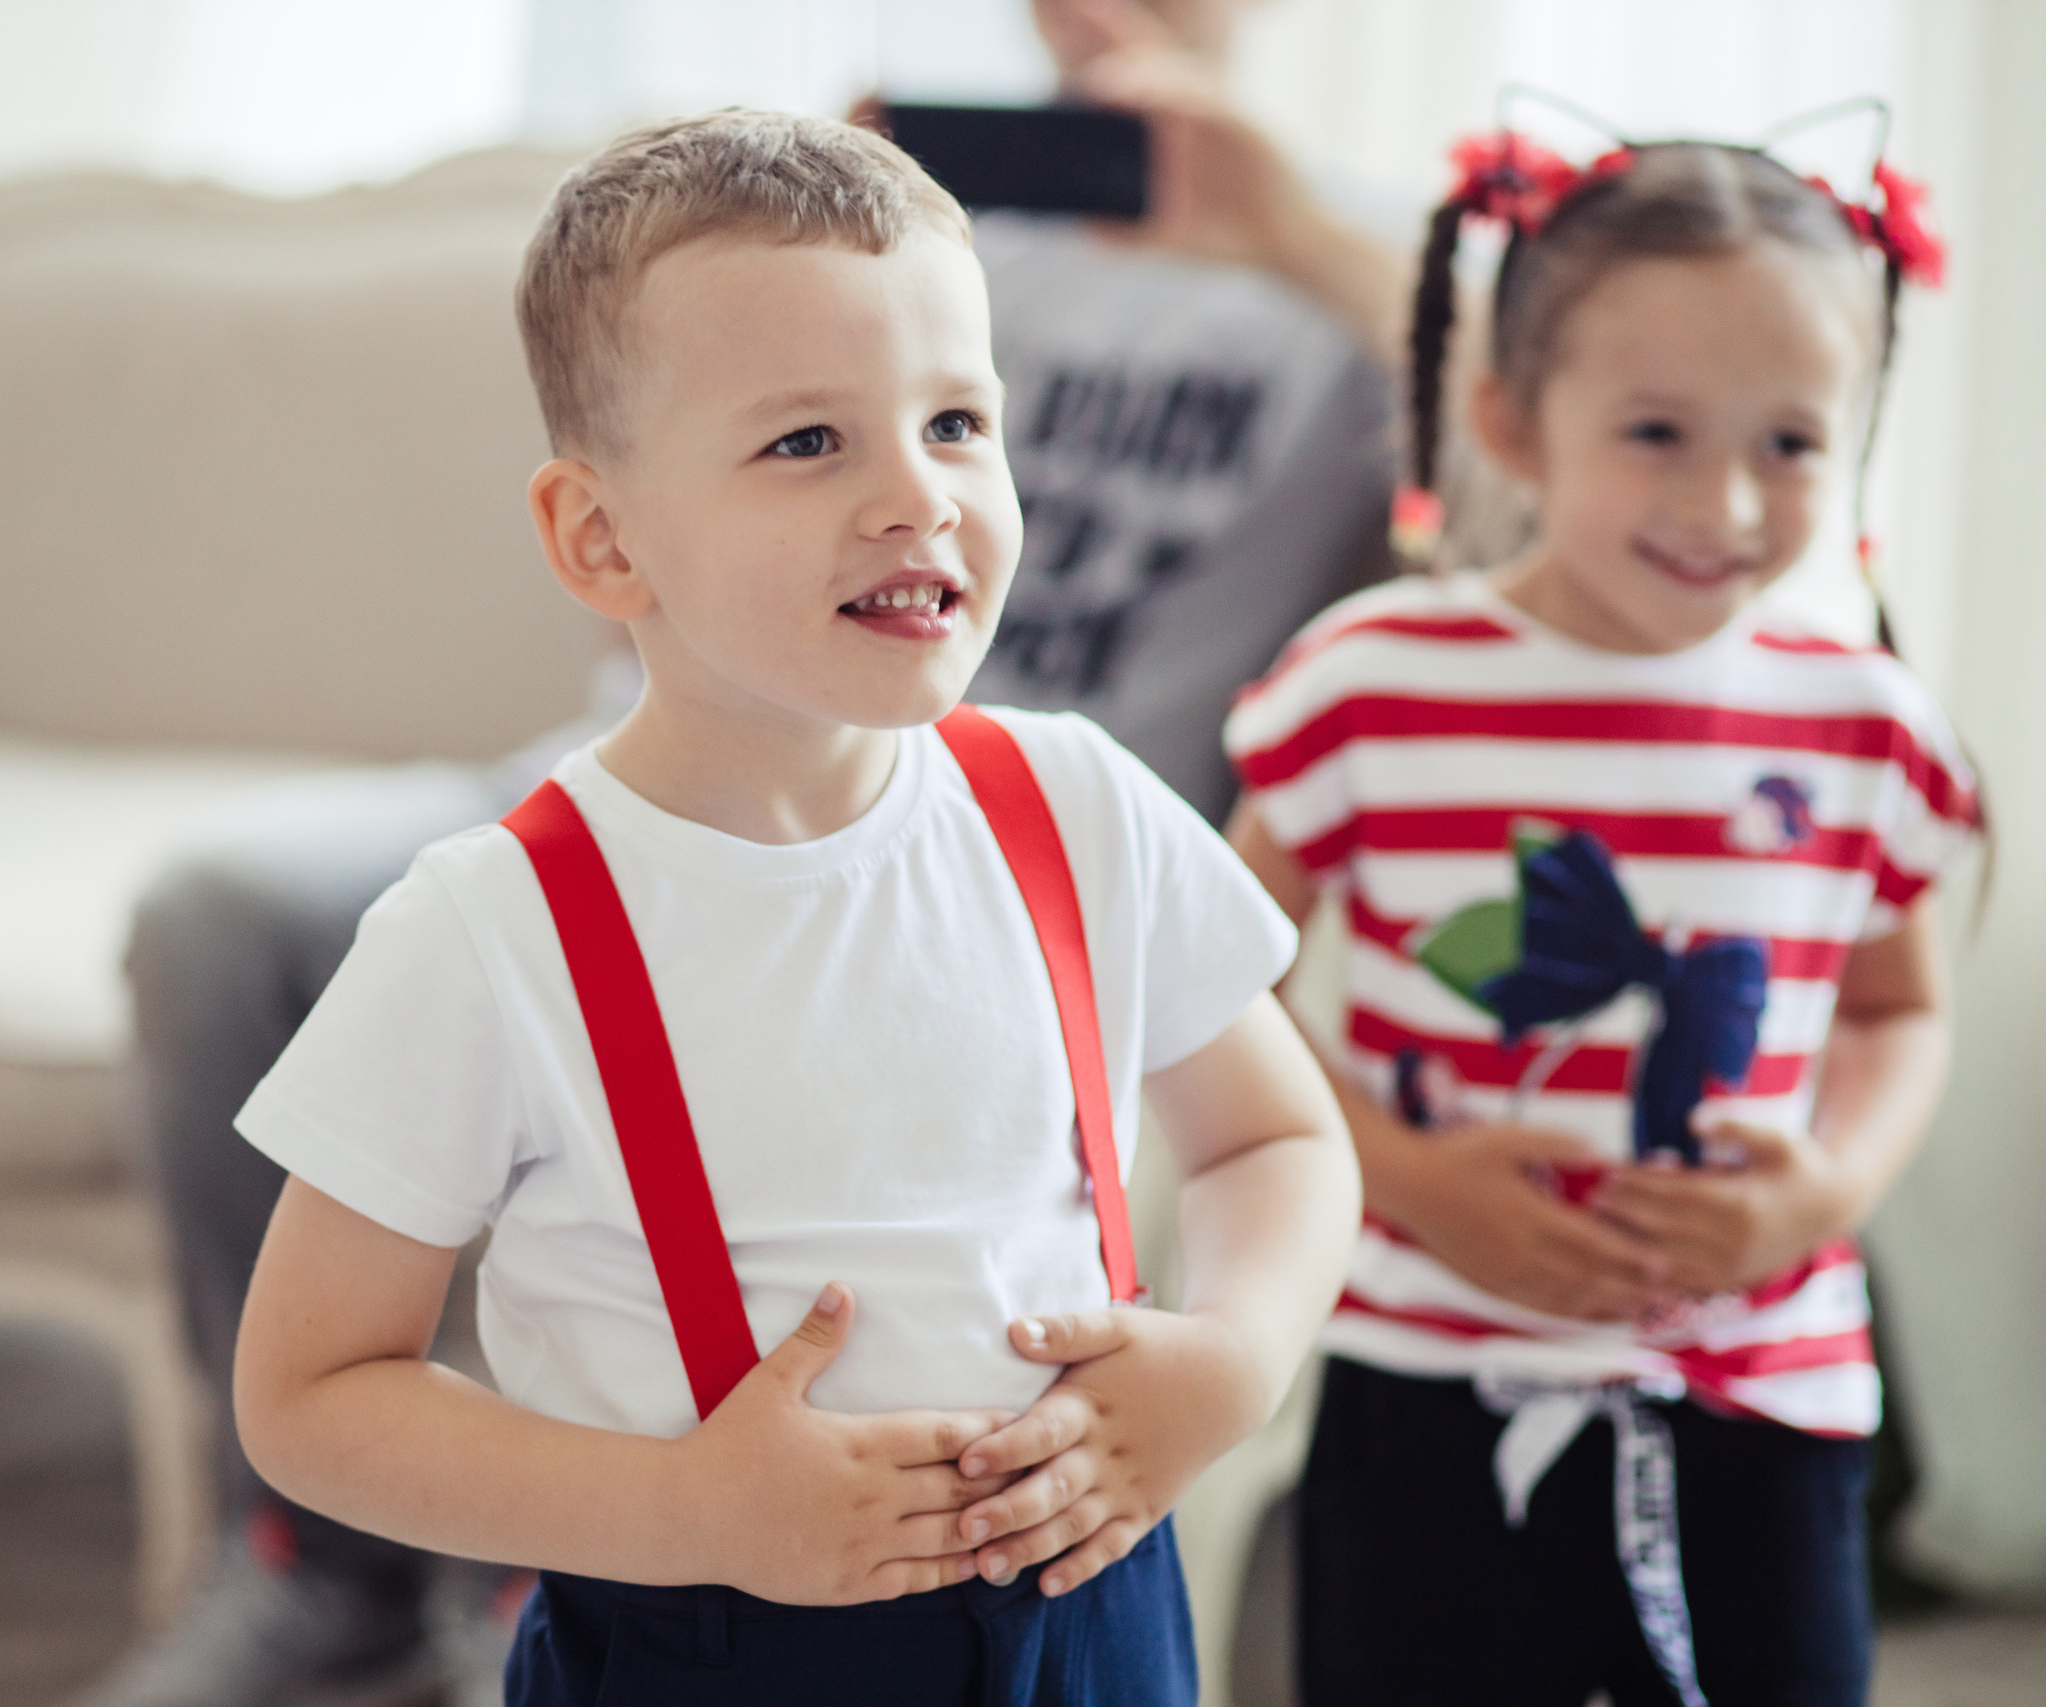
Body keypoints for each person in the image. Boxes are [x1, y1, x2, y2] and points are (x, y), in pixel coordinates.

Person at [83, 4, 1402, 1702]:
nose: (917, 497)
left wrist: (1231, 1359)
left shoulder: (1077, 809)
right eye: (807, 440)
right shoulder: (495, 928)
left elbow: (1273, 1146)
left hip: (1092, 1630)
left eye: (958, 425)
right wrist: (673, 1510)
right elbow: (313, 1391)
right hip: (696, 1644)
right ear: (599, 534)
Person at [1225, 131, 1977, 1706]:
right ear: (1511, 417)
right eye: (1655, 431)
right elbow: (1215, 989)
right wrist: (1413, 1176)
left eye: (1788, 442)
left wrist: (1817, 1193)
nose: (1724, 500)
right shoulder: (1370, 686)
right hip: (1425, 1365)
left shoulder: (1867, 725)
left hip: (1764, 1393)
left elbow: (1899, 1011)